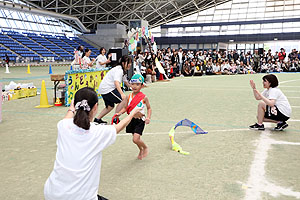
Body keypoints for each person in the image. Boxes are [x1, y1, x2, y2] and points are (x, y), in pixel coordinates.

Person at [44, 87, 142, 200]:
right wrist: (133, 113)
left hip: (52, 193)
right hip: (80, 197)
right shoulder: (97, 131)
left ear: (75, 104)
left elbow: (68, 117)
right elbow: (118, 127)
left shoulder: (63, 126)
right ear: (95, 107)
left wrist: (71, 108)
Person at [116, 74, 151, 160]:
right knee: (136, 139)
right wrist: (119, 113)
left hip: (140, 120)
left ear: (142, 85)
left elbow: (149, 108)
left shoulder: (144, 97)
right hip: (131, 120)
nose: (134, 86)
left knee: (135, 139)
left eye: (137, 84)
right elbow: (125, 108)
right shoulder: (129, 97)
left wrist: (148, 117)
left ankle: (145, 147)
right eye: (133, 84)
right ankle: (140, 149)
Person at [94, 55, 132, 124]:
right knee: (124, 99)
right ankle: (115, 118)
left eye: (130, 63)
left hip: (104, 89)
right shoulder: (119, 70)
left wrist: (137, 86)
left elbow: (126, 82)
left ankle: (97, 119)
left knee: (110, 106)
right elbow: (116, 83)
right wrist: (122, 94)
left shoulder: (122, 70)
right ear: (123, 63)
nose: (130, 65)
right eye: (128, 63)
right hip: (108, 89)